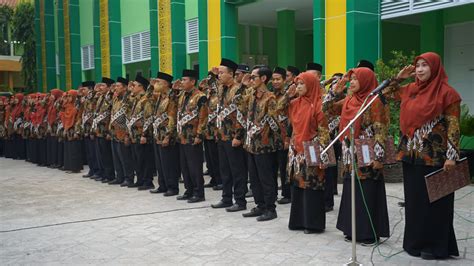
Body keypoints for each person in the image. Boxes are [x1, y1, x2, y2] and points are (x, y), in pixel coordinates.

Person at [389, 52, 461, 260]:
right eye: (417, 65)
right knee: (415, 202)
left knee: (437, 203)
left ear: (435, 68)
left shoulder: (448, 94)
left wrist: (452, 156)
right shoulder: (410, 90)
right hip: (411, 155)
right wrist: (399, 78)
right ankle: (414, 243)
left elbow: (454, 128)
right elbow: (385, 94)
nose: (419, 70)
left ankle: (435, 246)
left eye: (425, 66)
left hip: (436, 157)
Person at [325, 67, 390, 245]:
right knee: (351, 190)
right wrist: (338, 86)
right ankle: (351, 229)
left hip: (368, 153)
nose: (351, 82)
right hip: (350, 153)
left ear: (366, 81)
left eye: (355, 79)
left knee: (367, 191)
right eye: (350, 79)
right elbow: (327, 108)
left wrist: (379, 157)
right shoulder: (350, 100)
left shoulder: (374, 101)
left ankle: (368, 233)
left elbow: (381, 130)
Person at [286, 71, 330, 233]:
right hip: (296, 149)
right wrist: (287, 94)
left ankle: (313, 224)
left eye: (302, 83)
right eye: (297, 84)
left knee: (312, 186)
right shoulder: (294, 103)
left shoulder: (319, 105)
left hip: (312, 148)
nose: (298, 86)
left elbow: (324, 132)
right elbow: (276, 110)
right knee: (298, 185)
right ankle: (298, 221)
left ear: (311, 84)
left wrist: (324, 157)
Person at [242, 66, 282, 221]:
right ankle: (260, 205)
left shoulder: (270, 98)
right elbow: (239, 105)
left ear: (263, 79)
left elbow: (275, 124)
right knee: (254, 178)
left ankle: (270, 209)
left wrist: (263, 132)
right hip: (251, 144)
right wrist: (244, 86)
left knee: (266, 178)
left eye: (253, 77)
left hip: (264, 145)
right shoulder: (251, 95)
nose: (251, 80)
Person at [211, 58, 248, 212]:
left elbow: (242, 115)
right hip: (222, 136)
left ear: (231, 74)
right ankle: (226, 198)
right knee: (224, 170)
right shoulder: (222, 89)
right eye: (218, 73)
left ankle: (240, 201)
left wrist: (238, 136)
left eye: (221, 73)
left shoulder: (238, 89)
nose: (219, 75)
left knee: (237, 170)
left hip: (233, 137)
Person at [175, 69, 208, 203]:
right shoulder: (182, 95)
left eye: (184, 80)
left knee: (195, 167)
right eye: (182, 80)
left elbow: (203, 117)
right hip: (182, 136)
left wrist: (199, 135)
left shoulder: (201, 96)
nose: (182, 82)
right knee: (185, 166)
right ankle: (189, 190)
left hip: (193, 136)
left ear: (193, 81)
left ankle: (198, 193)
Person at [150, 71, 181, 196]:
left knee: (169, 163)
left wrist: (168, 135)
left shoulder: (172, 97)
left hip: (167, 136)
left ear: (166, 84)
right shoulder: (160, 96)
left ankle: (172, 187)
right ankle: (162, 185)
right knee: (160, 163)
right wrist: (151, 86)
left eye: (159, 82)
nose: (156, 84)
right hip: (158, 134)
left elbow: (172, 117)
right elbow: (147, 97)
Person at [127, 74, 155, 190]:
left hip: (142, 135)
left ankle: (147, 181)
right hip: (134, 134)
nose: (132, 87)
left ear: (141, 87)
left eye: (135, 85)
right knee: (137, 159)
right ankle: (140, 179)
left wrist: (144, 134)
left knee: (144, 159)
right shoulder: (136, 99)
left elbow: (148, 118)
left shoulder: (145, 100)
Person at [108, 77, 134, 186]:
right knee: (116, 157)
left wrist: (127, 134)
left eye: (118, 86)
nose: (115, 88)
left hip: (123, 132)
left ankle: (129, 178)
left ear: (124, 88)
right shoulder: (116, 99)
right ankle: (119, 177)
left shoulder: (128, 98)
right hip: (114, 132)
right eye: (115, 86)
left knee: (125, 157)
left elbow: (129, 115)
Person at [272, 67, 291, 205]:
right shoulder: (271, 94)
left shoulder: (290, 94)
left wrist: (288, 137)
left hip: (284, 136)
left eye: (278, 79)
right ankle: (272, 193)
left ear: (284, 80)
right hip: (271, 137)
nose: (275, 81)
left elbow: (291, 117)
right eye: (273, 79)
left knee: (284, 167)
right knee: (272, 167)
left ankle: (287, 193)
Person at [200, 71, 222, 190]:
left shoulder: (219, 95)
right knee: (210, 158)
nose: (209, 82)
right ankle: (214, 178)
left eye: (211, 80)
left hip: (216, 132)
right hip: (207, 131)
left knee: (216, 157)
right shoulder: (208, 94)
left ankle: (220, 180)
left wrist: (215, 78)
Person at [61, 90, 83, 173]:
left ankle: (75, 168)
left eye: (70, 96)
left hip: (73, 129)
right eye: (68, 96)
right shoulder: (67, 106)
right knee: (68, 149)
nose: (68, 98)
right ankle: (69, 167)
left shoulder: (77, 106)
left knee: (74, 149)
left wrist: (76, 132)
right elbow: (62, 113)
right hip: (67, 128)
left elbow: (78, 119)